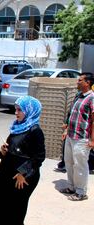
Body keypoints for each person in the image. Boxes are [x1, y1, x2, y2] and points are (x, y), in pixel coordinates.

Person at [0, 96, 45, 225]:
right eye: (16, 109)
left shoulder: (35, 131)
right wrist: (3, 151)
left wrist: (23, 174)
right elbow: (11, 146)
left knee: (15, 210)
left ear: (30, 111)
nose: (16, 113)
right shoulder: (18, 126)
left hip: (22, 177)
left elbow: (39, 157)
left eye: (20, 110)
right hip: (6, 172)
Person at [59, 72, 94, 201]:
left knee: (80, 165)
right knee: (69, 162)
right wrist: (66, 129)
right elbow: (71, 114)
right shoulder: (78, 96)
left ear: (87, 83)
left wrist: (92, 139)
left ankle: (81, 192)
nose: (77, 82)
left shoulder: (92, 98)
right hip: (70, 136)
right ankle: (71, 187)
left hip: (82, 138)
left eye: (80, 80)